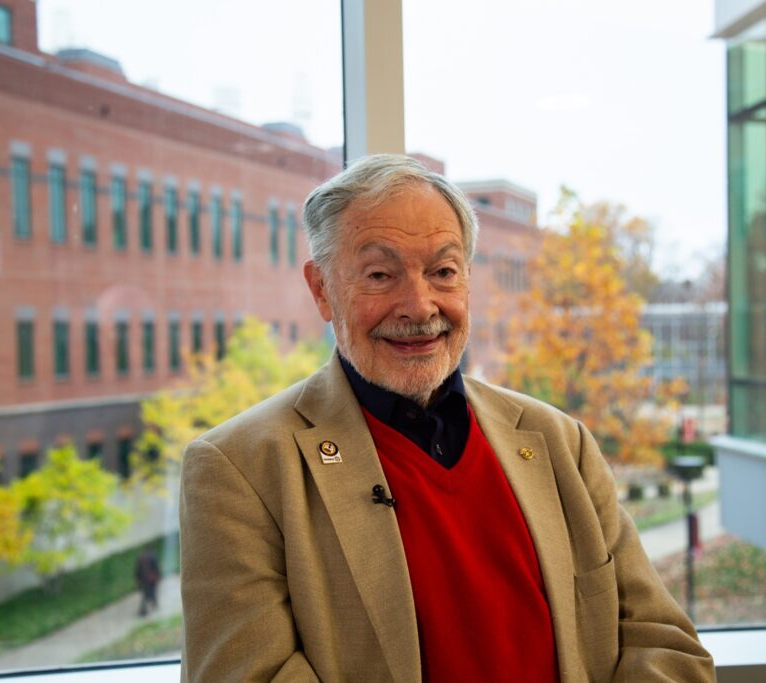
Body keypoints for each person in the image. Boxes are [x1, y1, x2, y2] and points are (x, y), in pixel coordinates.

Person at [179, 154, 716, 682]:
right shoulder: (239, 470)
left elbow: (663, 643)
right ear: (322, 289)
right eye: (380, 274)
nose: (419, 305)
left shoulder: (559, 443)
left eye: (442, 271)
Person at [135, 548, 161, 617]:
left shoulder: (150, 559)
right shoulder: (149, 558)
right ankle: (145, 609)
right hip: (147, 581)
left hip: (150, 580)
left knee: (149, 593)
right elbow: (138, 571)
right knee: (148, 594)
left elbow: (156, 569)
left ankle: (145, 609)